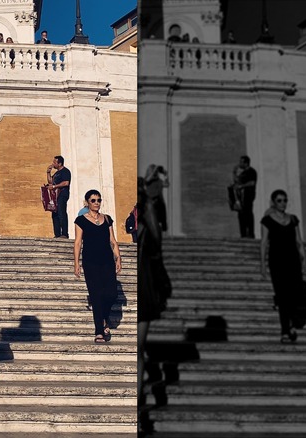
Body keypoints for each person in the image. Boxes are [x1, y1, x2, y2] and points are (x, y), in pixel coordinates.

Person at [136, 180, 169, 416]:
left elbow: (157, 246)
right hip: (140, 283)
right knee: (137, 350)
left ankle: (135, 402)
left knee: (136, 349)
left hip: (141, 284)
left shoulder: (145, 226)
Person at [260, 190, 306, 343]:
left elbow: (299, 241)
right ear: (274, 202)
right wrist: (262, 264)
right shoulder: (267, 220)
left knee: (294, 293)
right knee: (282, 296)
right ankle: (285, 331)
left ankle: (292, 322)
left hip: (293, 261)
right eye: (279, 200)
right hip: (277, 262)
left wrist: (304, 258)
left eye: (285, 200)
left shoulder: (293, 219)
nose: (283, 203)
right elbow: (263, 243)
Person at [74, 190, 121, 344]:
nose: (96, 203)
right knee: (96, 296)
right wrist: (76, 263)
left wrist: (118, 257)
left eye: (99, 200)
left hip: (107, 261)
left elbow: (113, 240)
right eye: (93, 200)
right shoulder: (80, 220)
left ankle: (104, 318)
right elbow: (78, 242)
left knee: (111, 294)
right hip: (90, 262)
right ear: (87, 202)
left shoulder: (107, 219)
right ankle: (99, 331)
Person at [46, 155, 71, 238]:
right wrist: (48, 172)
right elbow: (51, 181)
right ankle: (57, 234)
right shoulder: (56, 173)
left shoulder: (65, 171)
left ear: (59, 163)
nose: (53, 164)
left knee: (61, 213)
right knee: (55, 214)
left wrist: (54, 187)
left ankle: (64, 234)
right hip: (55, 196)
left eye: (54, 162)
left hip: (62, 194)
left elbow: (66, 183)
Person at [233, 155, 257, 238]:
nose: (239, 163)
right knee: (241, 215)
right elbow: (237, 182)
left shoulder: (252, 171)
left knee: (248, 214)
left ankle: (250, 233)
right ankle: (243, 234)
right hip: (241, 198)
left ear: (246, 163)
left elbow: (252, 183)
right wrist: (235, 174)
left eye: (241, 162)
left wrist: (242, 186)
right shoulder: (243, 173)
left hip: (248, 196)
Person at [145, 164, 168, 232]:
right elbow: (147, 180)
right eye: (154, 171)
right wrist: (155, 169)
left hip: (159, 202)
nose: (155, 172)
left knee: (162, 218)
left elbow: (166, 184)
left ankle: (163, 226)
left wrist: (166, 175)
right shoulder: (148, 180)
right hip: (150, 202)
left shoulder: (159, 180)